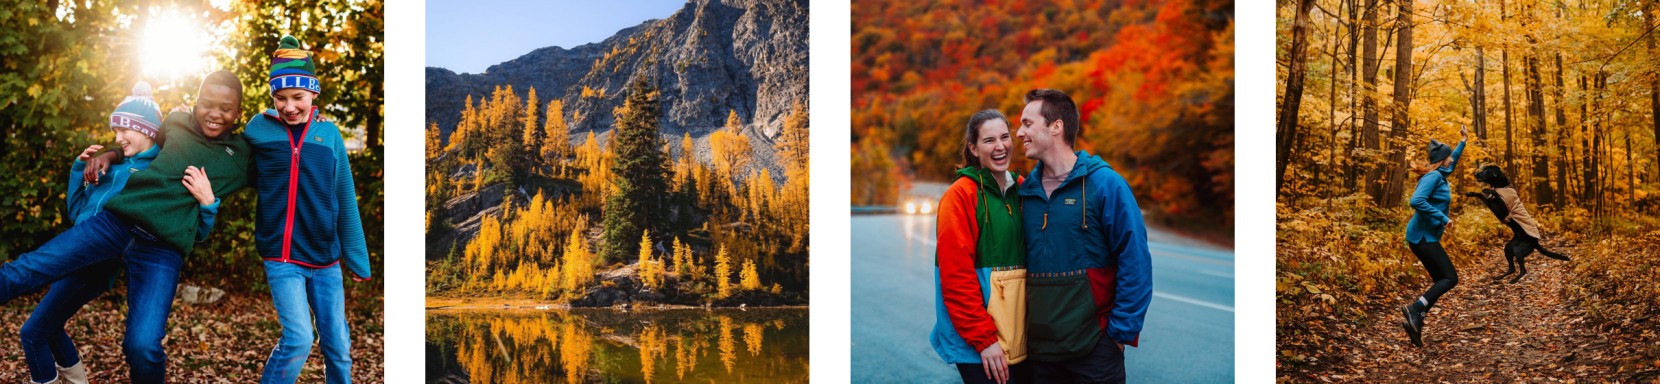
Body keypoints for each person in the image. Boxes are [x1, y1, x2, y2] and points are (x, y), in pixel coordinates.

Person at [6, 70, 251, 383]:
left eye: (226, 108)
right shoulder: (175, 124)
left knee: (142, 345)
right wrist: (109, 153)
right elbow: (140, 145)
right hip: (116, 223)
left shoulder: (242, 155)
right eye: (207, 104)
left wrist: (208, 203)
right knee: (23, 272)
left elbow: (286, 159)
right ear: (195, 104)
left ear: (239, 113)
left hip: (161, 248)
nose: (215, 114)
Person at [20, 82, 187, 384]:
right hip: (76, 253)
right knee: (50, 328)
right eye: (115, 131)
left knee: (32, 334)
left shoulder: (156, 169)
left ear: (148, 130)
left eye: (126, 130)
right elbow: (76, 212)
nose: (118, 137)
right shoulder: (111, 165)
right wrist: (78, 168)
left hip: (95, 264)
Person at [245, 35, 371, 384]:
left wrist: (357, 258)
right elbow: (233, 164)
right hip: (282, 257)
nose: (288, 107)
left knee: (338, 346)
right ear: (272, 96)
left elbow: (344, 196)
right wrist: (184, 124)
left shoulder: (328, 135)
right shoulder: (258, 130)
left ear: (314, 94)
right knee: (299, 338)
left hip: (325, 260)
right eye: (280, 97)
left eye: (297, 97)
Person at [1015, 89, 1152, 383]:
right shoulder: (1024, 193)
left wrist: (1119, 335)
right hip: (1039, 353)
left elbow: (1135, 260)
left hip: (1095, 347)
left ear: (1056, 126)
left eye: (1027, 123)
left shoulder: (1106, 184)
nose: (1018, 133)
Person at [931, 110, 1029, 384]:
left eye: (1004, 137)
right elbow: (955, 277)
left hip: (1016, 335)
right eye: (989, 140)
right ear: (973, 148)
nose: (1000, 146)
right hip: (980, 342)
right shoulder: (960, 195)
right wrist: (984, 340)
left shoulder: (1022, 189)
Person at [1401, 126, 1468, 347]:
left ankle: (1416, 318)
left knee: (1442, 280)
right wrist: (1443, 218)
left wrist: (1463, 142)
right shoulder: (1433, 178)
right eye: (1448, 156)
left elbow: (1453, 161)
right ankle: (1416, 309)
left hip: (1424, 238)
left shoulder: (1441, 175)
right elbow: (1416, 201)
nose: (1452, 159)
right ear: (1442, 159)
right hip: (1422, 238)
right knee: (1450, 278)